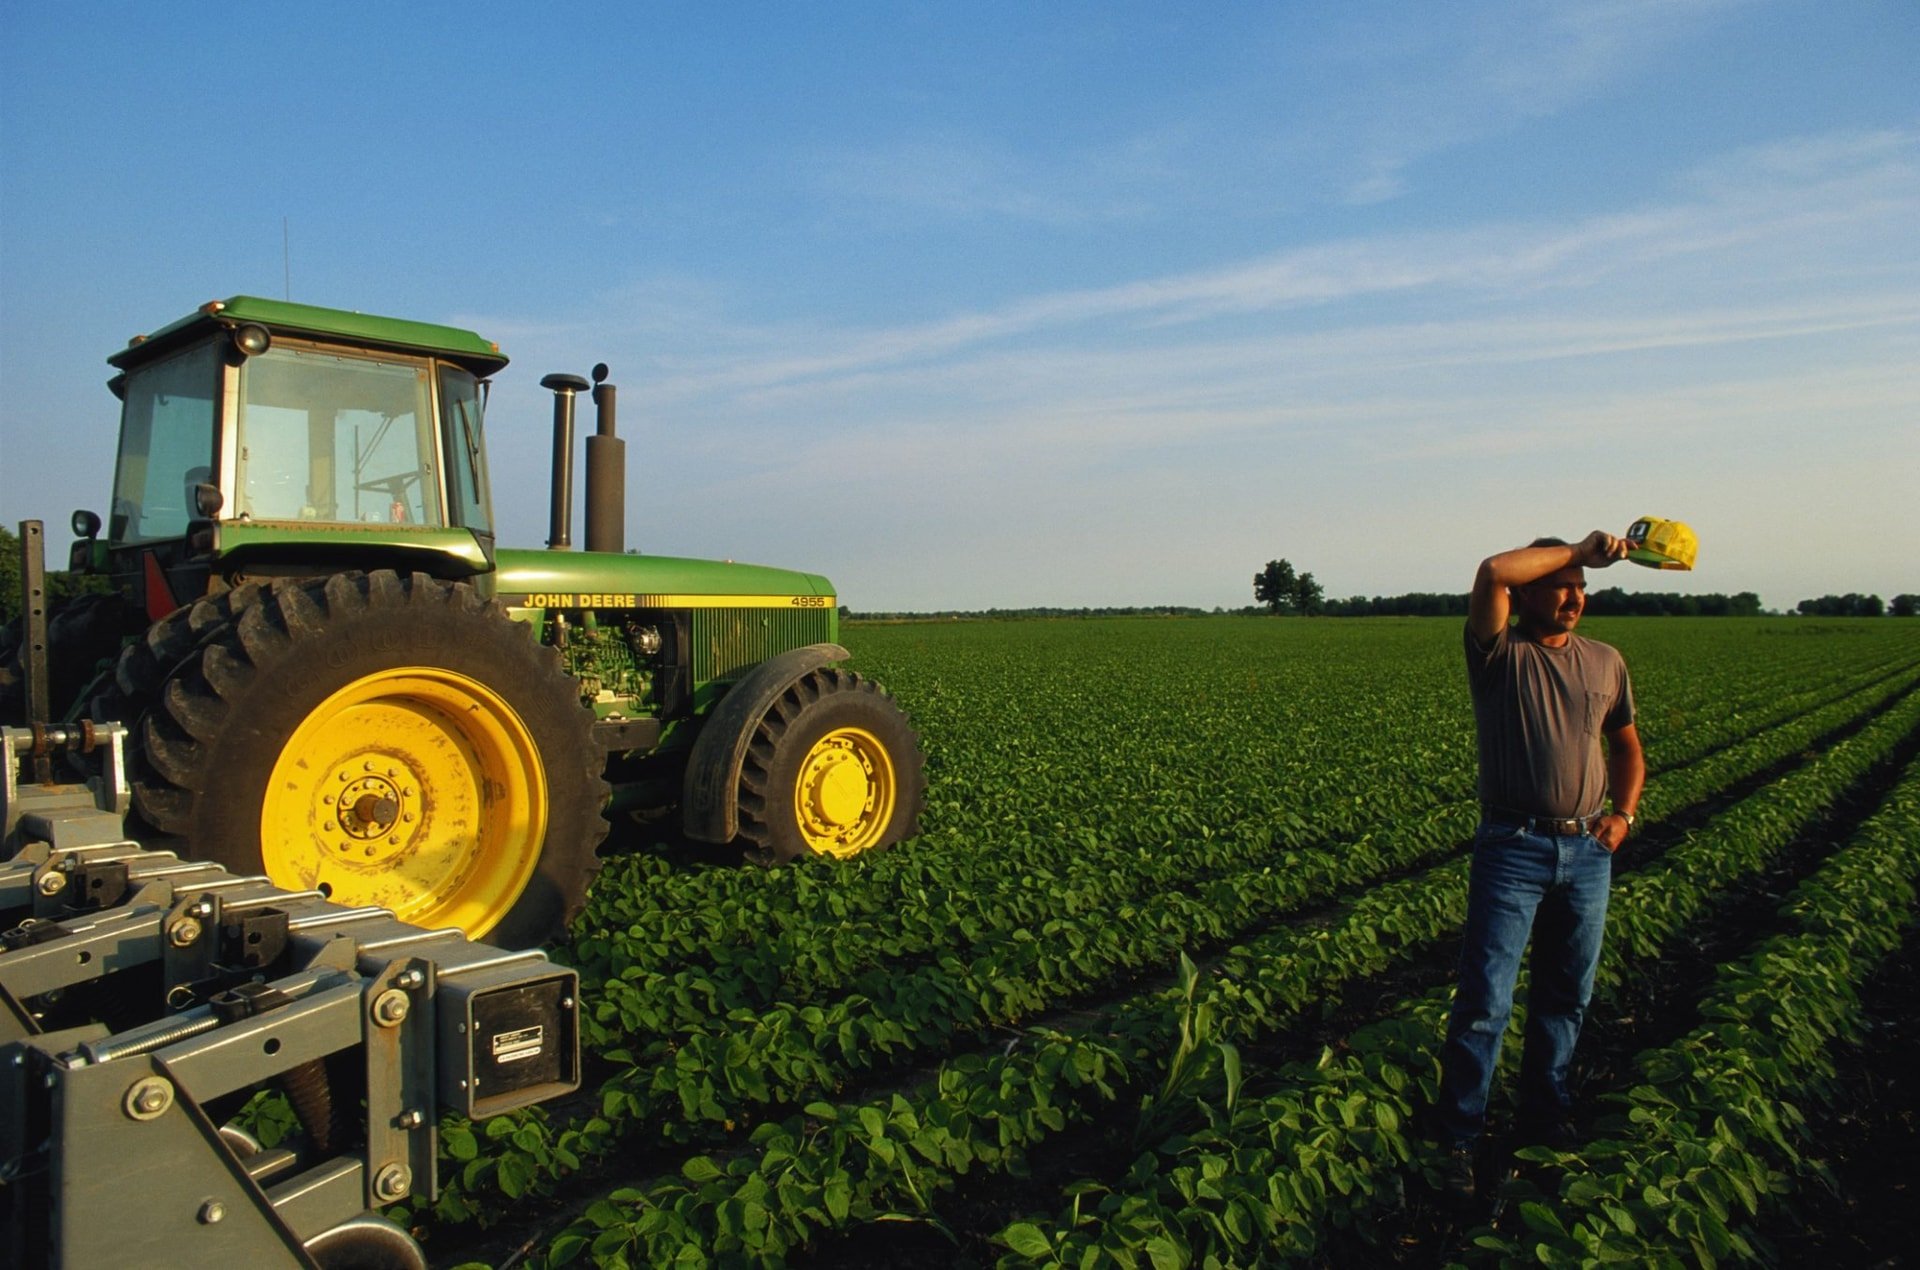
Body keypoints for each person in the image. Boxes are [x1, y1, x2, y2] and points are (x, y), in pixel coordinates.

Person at [1433, 530, 1646, 1201]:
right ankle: (1458, 1138)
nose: (1574, 597)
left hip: (1587, 851)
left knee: (1565, 997)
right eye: (1561, 584)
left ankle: (1543, 1121)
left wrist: (1625, 814)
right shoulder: (1499, 655)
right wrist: (1580, 549)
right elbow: (1492, 570)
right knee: (1485, 1002)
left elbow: (1628, 747)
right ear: (1527, 593)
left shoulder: (1606, 661)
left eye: (1581, 588)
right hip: (1513, 847)